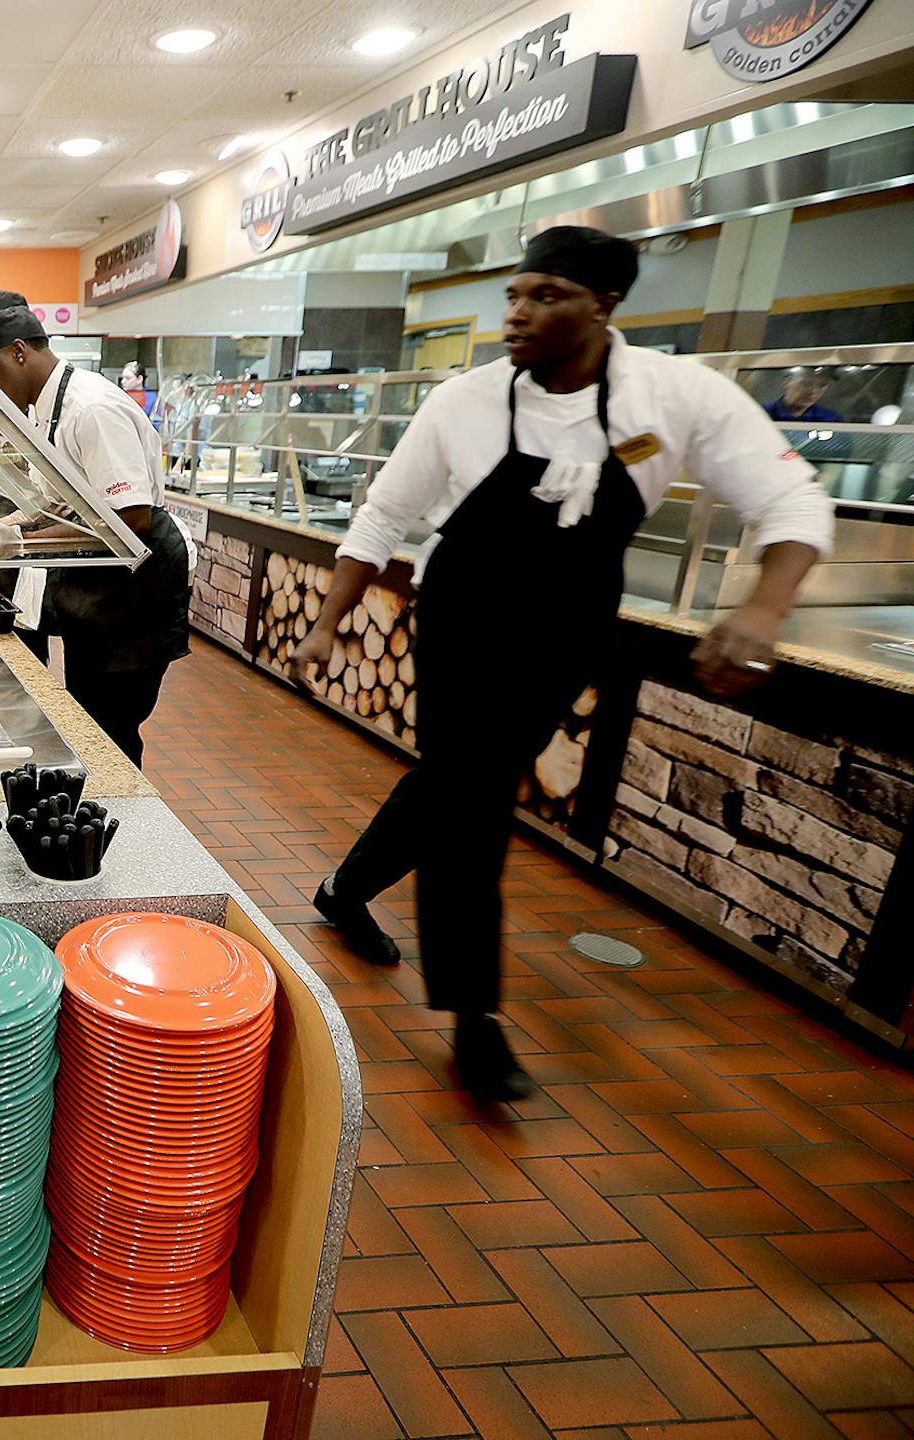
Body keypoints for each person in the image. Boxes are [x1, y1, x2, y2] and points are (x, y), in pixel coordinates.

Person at [291, 226, 835, 1102]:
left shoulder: (673, 396)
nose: (518, 312)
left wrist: (764, 609)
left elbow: (791, 501)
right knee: (474, 804)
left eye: (546, 295)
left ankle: (345, 887)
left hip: (570, 629)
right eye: (515, 293)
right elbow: (383, 515)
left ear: (605, 305)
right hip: (463, 622)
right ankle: (475, 1020)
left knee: (460, 778)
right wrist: (327, 624)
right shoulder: (466, 402)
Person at [0, 291, 190, 766]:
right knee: (84, 715)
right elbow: (59, 501)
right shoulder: (42, 406)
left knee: (111, 727)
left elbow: (131, 521)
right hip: (100, 575)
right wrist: (4, 524)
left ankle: (117, 816)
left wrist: (19, 540)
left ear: (19, 352)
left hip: (136, 581)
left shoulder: (92, 408)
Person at [765, 368, 844, 423]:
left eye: (822, 386)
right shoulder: (762, 414)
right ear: (788, 382)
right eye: (807, 383)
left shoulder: (830, 419)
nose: (814, 392)